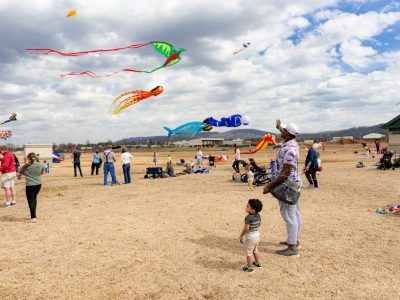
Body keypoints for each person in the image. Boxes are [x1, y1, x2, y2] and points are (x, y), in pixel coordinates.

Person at [263, 119, 301, 257]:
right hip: (293, 183)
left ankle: (293, 248)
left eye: (283, 130)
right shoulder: (291, 142)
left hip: (287, 185)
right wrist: (280, 127)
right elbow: (286, 133)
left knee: (289, 215)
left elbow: (285, 173)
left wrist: (269, 186)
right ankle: (294, 240)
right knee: (295, 213)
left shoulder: (290, 149)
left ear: (288, 133)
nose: (281, 131)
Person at [17, 153, 44, 223]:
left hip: (30, 185)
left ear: (28, 158)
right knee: (34, 199)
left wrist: (21, 176)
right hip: (38, 184)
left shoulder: (25, 166)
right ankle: (34, 214)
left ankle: (33, 218)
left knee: (31, 201)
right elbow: (42, 172)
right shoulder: (40, 164)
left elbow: (19, 175)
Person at [239, 199, 263, 273]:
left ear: (252, 210)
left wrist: (241, 235)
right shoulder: (258, 215)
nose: (246, 207)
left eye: (248, 206)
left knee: (249, 253)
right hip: (257, 236)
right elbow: (259, 224)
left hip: (251, 238)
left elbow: (246, 229)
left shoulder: (248, 218)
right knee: (255, 250)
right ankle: (258, 264)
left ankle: (249, 268)